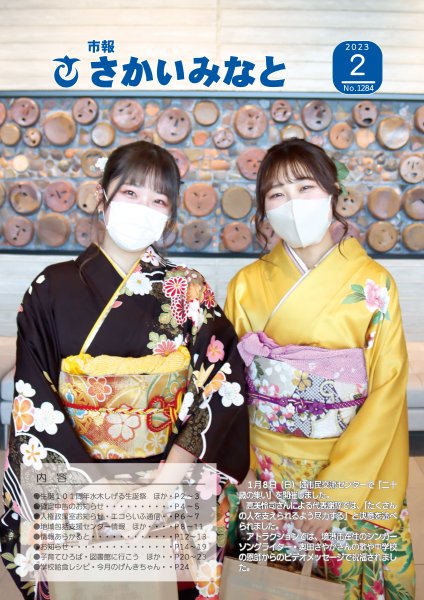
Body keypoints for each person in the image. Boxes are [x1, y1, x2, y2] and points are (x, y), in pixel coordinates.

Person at [1, 140, 250, 600]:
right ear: (103, 196)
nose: (143, 208)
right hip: (72, 489)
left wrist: (164, 486)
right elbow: (34, 395)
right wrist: (91, 496)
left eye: (159, 200)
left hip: (167, 481)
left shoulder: (188, 290)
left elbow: (223, 382)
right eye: (131, 193)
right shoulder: (50, 287)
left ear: (170, 215)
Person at [224, 139, 415, 598]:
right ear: (264, 210)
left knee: (344, 577)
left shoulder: (374, 284)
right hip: (264, 471)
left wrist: (334, 493)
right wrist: (247, 483)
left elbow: (387, 390)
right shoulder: (246, 285)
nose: (292, 203)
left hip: (348, 470)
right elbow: (227, 390)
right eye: (277, 194)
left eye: (305, 187)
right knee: (265, 581)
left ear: (333, 193)